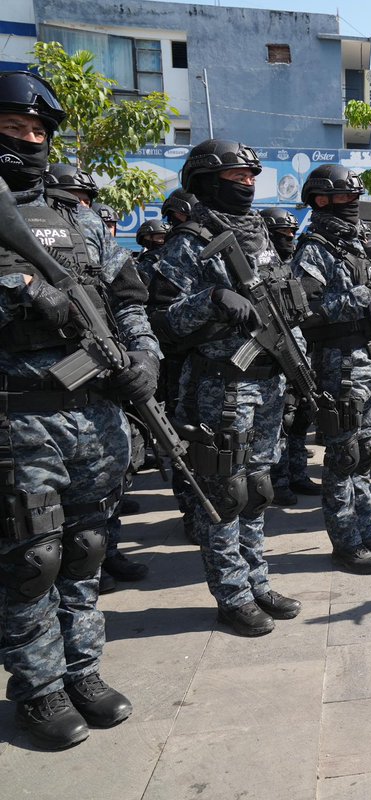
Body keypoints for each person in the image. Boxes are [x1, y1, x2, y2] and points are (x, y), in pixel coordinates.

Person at [0, 70, 157, 748]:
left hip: (93, 412)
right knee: (32, 557)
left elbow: (127, 298)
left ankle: (82, 670)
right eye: (14, 129)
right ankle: (38, 689)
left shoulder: (82, 218)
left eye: (38, 132)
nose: (29, 142)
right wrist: (23, 289)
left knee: (87, 549)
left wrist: (143, 358)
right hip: (21, 416)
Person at [153, 138, 301, 635]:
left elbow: (280, 304)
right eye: (237, 179)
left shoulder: (259, 234)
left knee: (257, 490)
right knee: (225, 495)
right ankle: (232, 594)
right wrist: (212, 298)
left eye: (250, 179)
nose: (247, 187)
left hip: (267, 382)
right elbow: (162, 322)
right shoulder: (188, 241)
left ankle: (257, 579)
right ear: (207, 181)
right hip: (220, 387)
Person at [293, 165, 371, 574]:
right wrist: (360, 300)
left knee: (366, 454)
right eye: (345, 197)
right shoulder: (314, 249)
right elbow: (304, 310)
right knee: (343, 457)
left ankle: (365, 529)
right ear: (321, 201)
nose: (354, 204)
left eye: (356, 197)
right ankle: (345, 541)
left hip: (370, 361)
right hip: (339, 365)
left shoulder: (358, 244)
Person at [259, 206, 317, 507]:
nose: (289, 239)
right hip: (272, 357)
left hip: (299, 354)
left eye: (292, 233)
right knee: (280, 423)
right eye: (283, 234)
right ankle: (278, 480)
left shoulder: (290, 267)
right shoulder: (259, 268)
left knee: (298, 419)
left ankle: (297, 472)